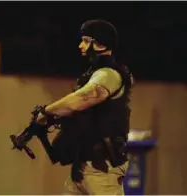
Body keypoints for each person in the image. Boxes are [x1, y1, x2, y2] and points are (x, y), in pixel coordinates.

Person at [35, 19, 133, 195]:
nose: (81, 46)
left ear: (101, 45)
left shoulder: (109, 74)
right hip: (82, 167)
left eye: (87, 41)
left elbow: (83, 99)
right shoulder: (92, 74)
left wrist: (47, 111)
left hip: (102, 169)